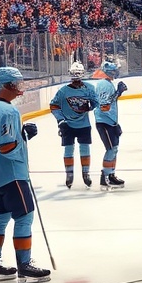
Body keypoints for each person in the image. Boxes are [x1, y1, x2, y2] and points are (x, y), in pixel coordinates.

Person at [0, 66, 49, 283]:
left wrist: (19, 133)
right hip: (11, 174)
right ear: (6, 86)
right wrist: (23, 135)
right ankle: (24, 265)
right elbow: (6, 146)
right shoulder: (9, 111)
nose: (21, 88)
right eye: (17, 83)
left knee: (0, 218)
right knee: (25, 216)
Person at [49, 61, 98, 189]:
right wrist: (61, 120)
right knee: (69, 149)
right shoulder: (63, 91)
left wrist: (91, 105)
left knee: (84, 148)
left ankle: (85, 173)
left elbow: (95, 102)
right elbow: (54, 106)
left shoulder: (89, 88)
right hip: (68, 126)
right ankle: (69, 174)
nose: (76, 77)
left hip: (83, 125)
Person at [93, 60, 128, 190]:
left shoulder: (107, 83)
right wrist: (118, 92)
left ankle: (111, 174)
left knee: (114, 149)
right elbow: (104, 106)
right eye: (115, 70)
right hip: (104, 122)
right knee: (111, 149)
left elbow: (108, 103)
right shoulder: (104, 84)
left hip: (109, 121)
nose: (117, 72)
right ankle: (105, 177)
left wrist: (115, 123)